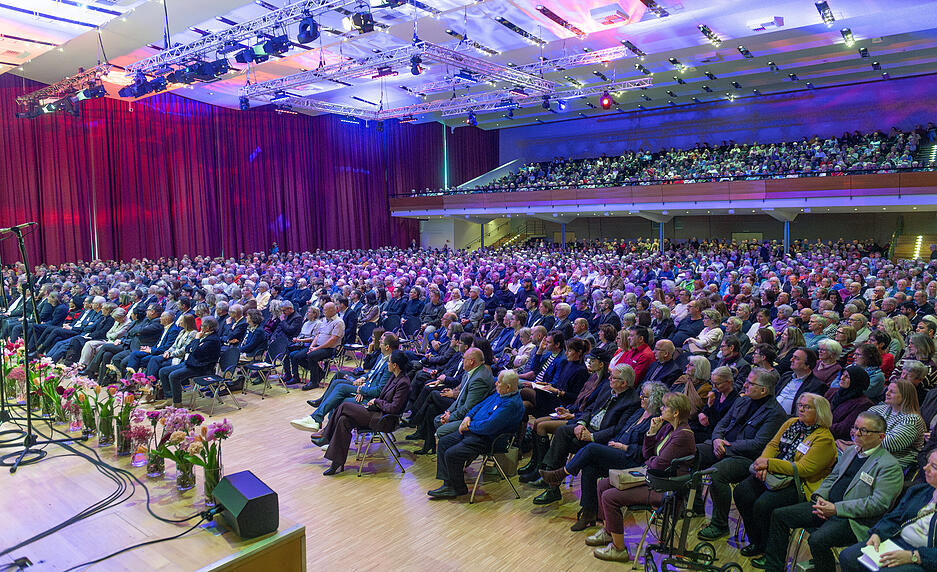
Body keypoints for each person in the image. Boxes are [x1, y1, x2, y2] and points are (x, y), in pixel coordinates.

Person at [762, 411, 904, 572]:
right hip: (826, 505)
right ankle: (773, 569)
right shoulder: (851, 451)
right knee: (779, 515)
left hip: (853, 519)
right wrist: (820, 496)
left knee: (817, 540)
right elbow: (832, 478)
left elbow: (878, 504)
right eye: (855, 428)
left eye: (864, 430)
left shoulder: (889, 466)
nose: (857, 433)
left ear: (880, 436)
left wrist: (836, 509)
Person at [538, 381, 668, 530]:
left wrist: (624, 446)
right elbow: (621, 431)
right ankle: (589, 514)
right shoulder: (640, 412)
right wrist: (614, 443)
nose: (640, 398)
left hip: (632, 459)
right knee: (589, 467)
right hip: (616, 450)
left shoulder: (657, 421)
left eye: (644, 396)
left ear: (654, 400)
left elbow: (648, 452)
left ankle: (561, 474)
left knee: (592, 448)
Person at [587, 392, 697, 562]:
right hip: (653, 477)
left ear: (675, 413)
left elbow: (657, 464)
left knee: (610, 497)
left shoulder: (683, 435)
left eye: (665, 406)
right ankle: (610, 532)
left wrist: (651, 461)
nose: (661, 408)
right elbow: (648, 454)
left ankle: (619, 550)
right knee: (603, 484)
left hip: (666, 488)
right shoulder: (668, 428)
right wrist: (651, 433)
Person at [732, 393, 838, 560]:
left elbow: (803, 469)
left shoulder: (824, 439)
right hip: (773, 473)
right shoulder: (791, 423)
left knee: (764, 505)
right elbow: (774, 445)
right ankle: (757, 541)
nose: (801, 409)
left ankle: (769, 550)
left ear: (820, 412)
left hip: (799, 484)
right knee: (742, 493)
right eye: (800, 405)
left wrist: (769, 464)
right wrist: (762, 462)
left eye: (807, 406)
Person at [696, 368, 788, 540]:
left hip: (746, 458)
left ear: (763, 390)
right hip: (723, 446)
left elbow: (758, 444)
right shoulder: (742, 401)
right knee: (693, 453)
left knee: (716, 474)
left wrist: (726, 446)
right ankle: (693, 506)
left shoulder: (776, 413)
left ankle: (719, 524)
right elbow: (722, 424)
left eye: (750, 383)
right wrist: (716, 439)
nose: (744, 384)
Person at [427, 369, 525, 499]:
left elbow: (489, 426)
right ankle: (448, 484)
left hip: (490, 440)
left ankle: (458, 488)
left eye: (499, 383)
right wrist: (468, 417)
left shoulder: (511, 404)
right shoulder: (501, 393)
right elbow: (478, 406)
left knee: (452, 454)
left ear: (508, 387)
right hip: (475, 432)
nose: (496, 384)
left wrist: (468, 426)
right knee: (444, 442)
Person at [310, 350, 411, 475]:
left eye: (389, 362)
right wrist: (371, 399)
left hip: (384, 418)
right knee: (343, 420)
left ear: (395, 365)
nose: (388, 364)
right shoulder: (394, 377)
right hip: (376, 411)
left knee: (344, 405)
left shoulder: (403, 383)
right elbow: (382, 396)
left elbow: (394, 408)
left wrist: (376, 402)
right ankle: (337, 463)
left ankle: (326, 436)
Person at [838, 447, 937, 572]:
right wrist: (878, 533)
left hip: (924, 558)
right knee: (848, 556)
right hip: (897, 541)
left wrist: (914, 556)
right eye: (927, 462)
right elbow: (893, 517)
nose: (924, 468)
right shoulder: (919, 491)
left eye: (933, 466)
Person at [289, 332, 398, 432]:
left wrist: (362, 390)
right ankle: (322, 426)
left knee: (340, 393)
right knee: (338, 383)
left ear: (387, 347)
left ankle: (323, 427)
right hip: (366, 386)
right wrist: (363, 379)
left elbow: (380, 390)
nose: (378, 342)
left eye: (381, 341)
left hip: (371, 399)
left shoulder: (390, 364)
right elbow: (371, 373)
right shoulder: (382, 356)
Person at [153, 317, 222, 408]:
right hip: (191, 363)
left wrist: (196, 340)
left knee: (174, 376)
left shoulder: (213, 340)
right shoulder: (203, 335)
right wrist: (193, 346)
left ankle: (177, 403)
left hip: (201, 368)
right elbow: (187, 348)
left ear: (207, 327)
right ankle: (169, 399)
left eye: (202, 325)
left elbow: (196, 351)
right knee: (163, 371)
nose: (200, 327)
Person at [862, 381, 926, 469]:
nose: (886, 393)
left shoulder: (912, 419)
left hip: (893, 465)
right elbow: (856, 430)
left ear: (905, 396)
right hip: (869, 455)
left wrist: (862, 437)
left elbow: (888, 445)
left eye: (892, 392)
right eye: (887, 390)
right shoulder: (876, 410)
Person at [826, 365, 875, 441]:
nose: (842, 378)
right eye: (843, 375)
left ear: (856, 381)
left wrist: (819, 426)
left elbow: (844, 429)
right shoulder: (833, 392)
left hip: (836, 439)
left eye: (847, 377)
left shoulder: (863, 404)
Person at [774, 348, 826, 415]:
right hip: (771, 413)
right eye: (793, 357)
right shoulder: (786, 376)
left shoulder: (817, 386)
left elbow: (806, 412)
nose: (791, 360)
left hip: (789, 420)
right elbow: (774, 395)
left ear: (807, 366)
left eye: (796, 358)